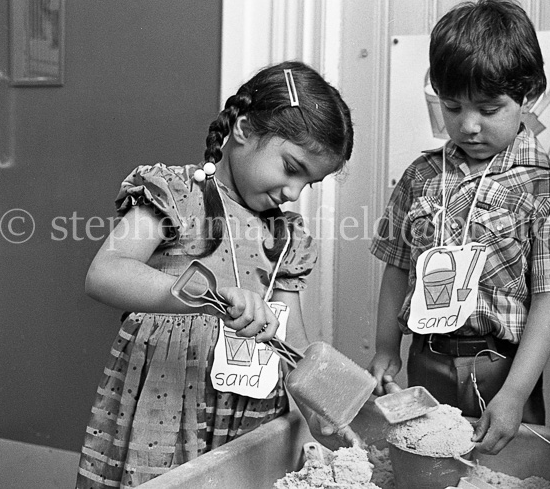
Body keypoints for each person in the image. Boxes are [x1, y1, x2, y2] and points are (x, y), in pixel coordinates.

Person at [75, 61, 354, 487]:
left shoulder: (285, 235)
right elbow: (105, 273)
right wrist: (205, 296)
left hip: (250, 405)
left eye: (309, 183)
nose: (293, 193)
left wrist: (317, 405)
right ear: (243, 129)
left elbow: (290, 330)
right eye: (291, 168)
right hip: (167, 398)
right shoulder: (176, 194)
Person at [368, 0, 550, 455]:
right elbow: (396, 267)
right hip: (426, 357)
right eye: (452, 108)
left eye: (488, 109)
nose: (468, 125)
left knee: (501, 471)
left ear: (529, 95)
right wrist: (386, 348)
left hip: (504, 367)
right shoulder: (419, 176)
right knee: (425, 465)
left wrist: (513, 393)